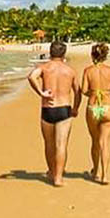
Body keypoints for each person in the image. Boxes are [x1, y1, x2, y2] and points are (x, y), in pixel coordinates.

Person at [26, 41, 81, 187]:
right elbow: (78, 91)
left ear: (50, 52)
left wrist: (41, 93)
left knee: (49, 144)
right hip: (64, 108)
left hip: (48, 109)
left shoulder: (44, 67)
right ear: (64, 53)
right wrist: (75, 108)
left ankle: (51, 171)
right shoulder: (70, 70)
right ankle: (58, 178)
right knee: (61, 145)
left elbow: (31, 77)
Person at [82, 43, 110, 185]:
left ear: (92, 55)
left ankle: (96, 171)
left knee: (95, 141)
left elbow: (84, 90)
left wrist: (94, 93)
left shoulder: (88, 71)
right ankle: (105, 176)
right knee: (104, 142)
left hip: (93, 107)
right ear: (105, 56)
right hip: (108, 106)